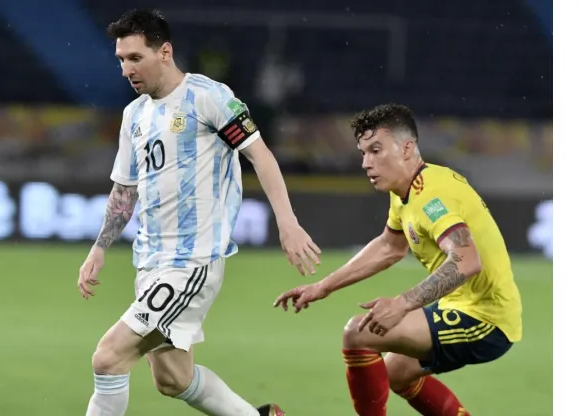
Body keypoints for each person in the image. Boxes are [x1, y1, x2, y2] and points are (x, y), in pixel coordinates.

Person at [77, 9, 321, 416]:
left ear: (165, 52)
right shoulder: (134, 115)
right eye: (121, 59)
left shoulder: (209, 97)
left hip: (191, 261)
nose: (125, 69)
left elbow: (260, 156)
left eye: (135, 58)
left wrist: (288, 223)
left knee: (108, 357)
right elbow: (125, 189)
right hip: (151, 262)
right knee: (173, 378)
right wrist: (100, 247)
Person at [274, 103, 523, 416]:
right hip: (461, 307)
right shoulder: (406, 189)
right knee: (395, 373)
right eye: (364, 152)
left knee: (358, 333)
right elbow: (389, 248)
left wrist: (403, 303)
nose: (366, 163)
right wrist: (322, 287)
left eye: (376, 150)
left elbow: (466, 260)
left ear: (407, 148)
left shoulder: (433, 196)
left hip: (486, 320)